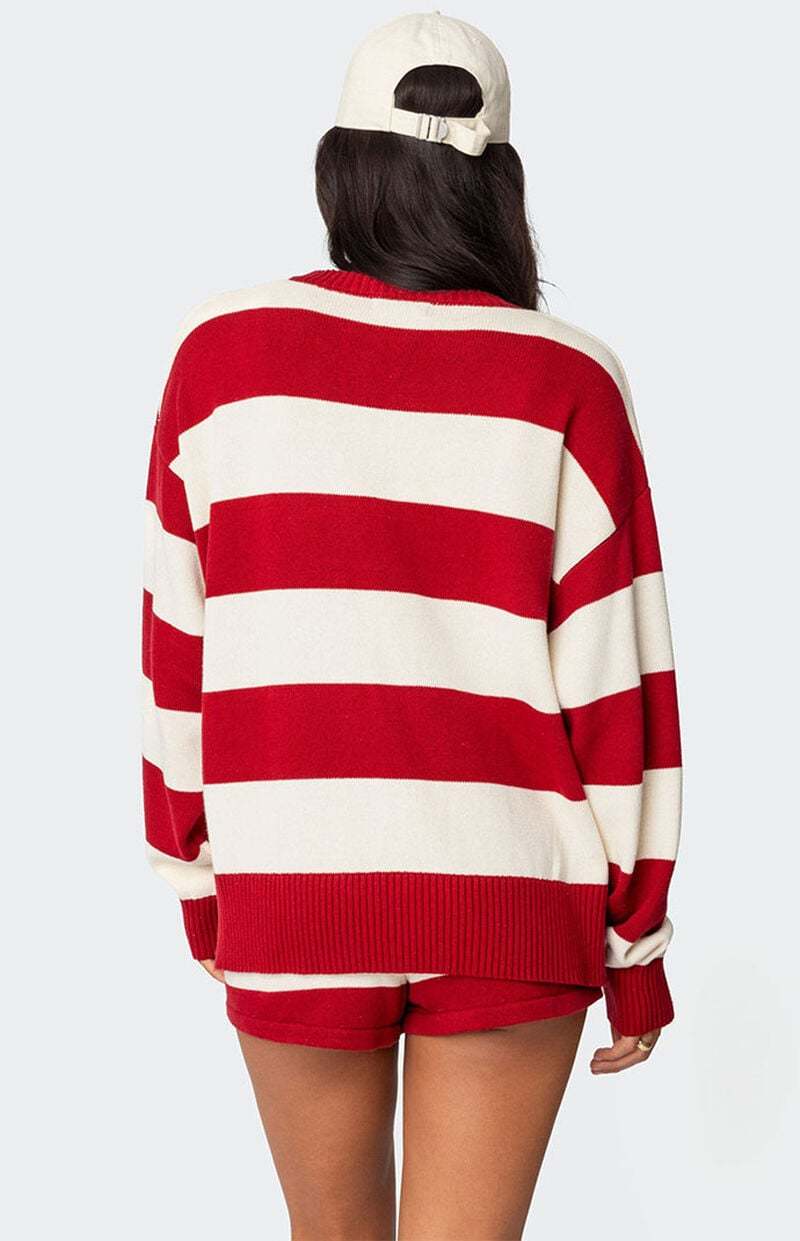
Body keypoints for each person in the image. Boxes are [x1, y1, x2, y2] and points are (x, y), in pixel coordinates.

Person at [140, 10, 683, 1237]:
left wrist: (200, 881)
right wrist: (636, 941)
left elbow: (176, 651)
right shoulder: (565, 376)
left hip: (293, 879)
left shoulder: (220, 354)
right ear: (498, 184)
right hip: (511, 893)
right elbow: (619, 685)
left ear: (340, 166)